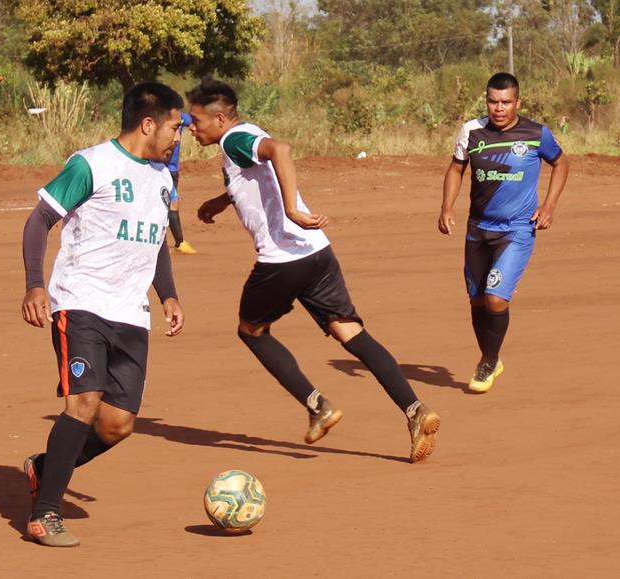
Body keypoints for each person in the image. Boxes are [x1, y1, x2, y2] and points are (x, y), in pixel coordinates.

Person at [187, 77, 440, 463]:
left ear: (220, 119)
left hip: (282, 259)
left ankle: (318, 405)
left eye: (196, 120)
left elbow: (281, 151)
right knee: (350, 332)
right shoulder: (242, 139)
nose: (192, 128)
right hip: (317, 253)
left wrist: (291, 210)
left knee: (251, 331)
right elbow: (261, 173)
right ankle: (414, 410)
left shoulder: (232, 139)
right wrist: (223, 200)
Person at [20, 82, 186, 547]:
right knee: (84, 402)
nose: (178, 138)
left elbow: (156, 243)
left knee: (116, 425)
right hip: (81, 303)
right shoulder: (90, 164)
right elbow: (39, 220)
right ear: (148, 123)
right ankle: (44, 513)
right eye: (175, 127)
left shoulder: (161, 179)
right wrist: (35, 284)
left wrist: (168, 295)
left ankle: (46, 467)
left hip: (131, 314)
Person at [438, 72, 570, 393]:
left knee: (496, 299)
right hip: (478, 230)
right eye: (493, 101)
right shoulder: (471, 131)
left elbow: (562, 164)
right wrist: (446, 207)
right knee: (477, 301)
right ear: (487, 101)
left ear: (517, 103)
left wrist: (549, 206)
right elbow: (457, 168)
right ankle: (491, 358)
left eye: (506, 102)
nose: (499, 108)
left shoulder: (537, 133)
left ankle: (488, 361)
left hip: (516, 231)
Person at [166, 111, 198, 254]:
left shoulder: (182, 116)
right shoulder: (158, 117)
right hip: (161, 168)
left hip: (174, 169)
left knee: (167, 205)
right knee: (173, 202)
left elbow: (193, 123)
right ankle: (180, 242)